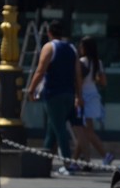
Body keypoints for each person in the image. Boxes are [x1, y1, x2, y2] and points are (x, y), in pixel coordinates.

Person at [27, 20, 83, 172]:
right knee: (52, 129)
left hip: (53, 93)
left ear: (49, 33)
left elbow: (40, 70)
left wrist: (31, 89)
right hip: (69, 93)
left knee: (59, 129)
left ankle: (67, 163)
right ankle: (44, 162)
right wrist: (79, 95)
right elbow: (77, 75)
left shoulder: (49, 47)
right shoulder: (72, 48)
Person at [75, 36, 113, 166]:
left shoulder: (81, 62)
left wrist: (78, 97)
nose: (80, 49)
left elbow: (78, 82)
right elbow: (103, 82)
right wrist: (94, 79)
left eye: (81, 46)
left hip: (83, 97)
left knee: (86, 132)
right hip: (94, 96)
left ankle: (105, 154)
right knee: (85, 132)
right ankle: (76, 160)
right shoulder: (98, 62)